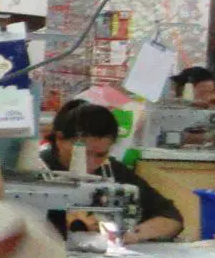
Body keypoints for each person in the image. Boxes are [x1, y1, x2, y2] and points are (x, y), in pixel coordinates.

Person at [43, 99, 183, 241]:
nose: (91, 163)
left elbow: (171, 218)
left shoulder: (111, 170)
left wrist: (135, 234)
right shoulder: (38, 170)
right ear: (59, 139)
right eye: (82, 153)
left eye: (100, 155)